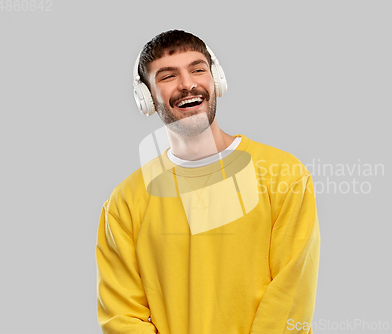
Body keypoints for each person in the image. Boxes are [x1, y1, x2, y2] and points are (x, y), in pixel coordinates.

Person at [96, 29, 321, 334]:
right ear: (146, 98)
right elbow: (122, 316)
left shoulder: (284, 175)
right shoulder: (124, 203)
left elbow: (292, 294)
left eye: (198, 69)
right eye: (167, 76)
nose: (188, 84)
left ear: (217, 81)